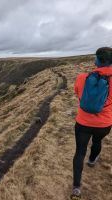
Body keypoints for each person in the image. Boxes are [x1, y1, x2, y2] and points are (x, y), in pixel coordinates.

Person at [71, 47, 112, 199]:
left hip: (83, 122)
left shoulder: (82, 77)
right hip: (104, 124)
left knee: (79, 152)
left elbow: (77, 93)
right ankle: (92, 160)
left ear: (97, 60)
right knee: (97, 141)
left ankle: (76, 187)